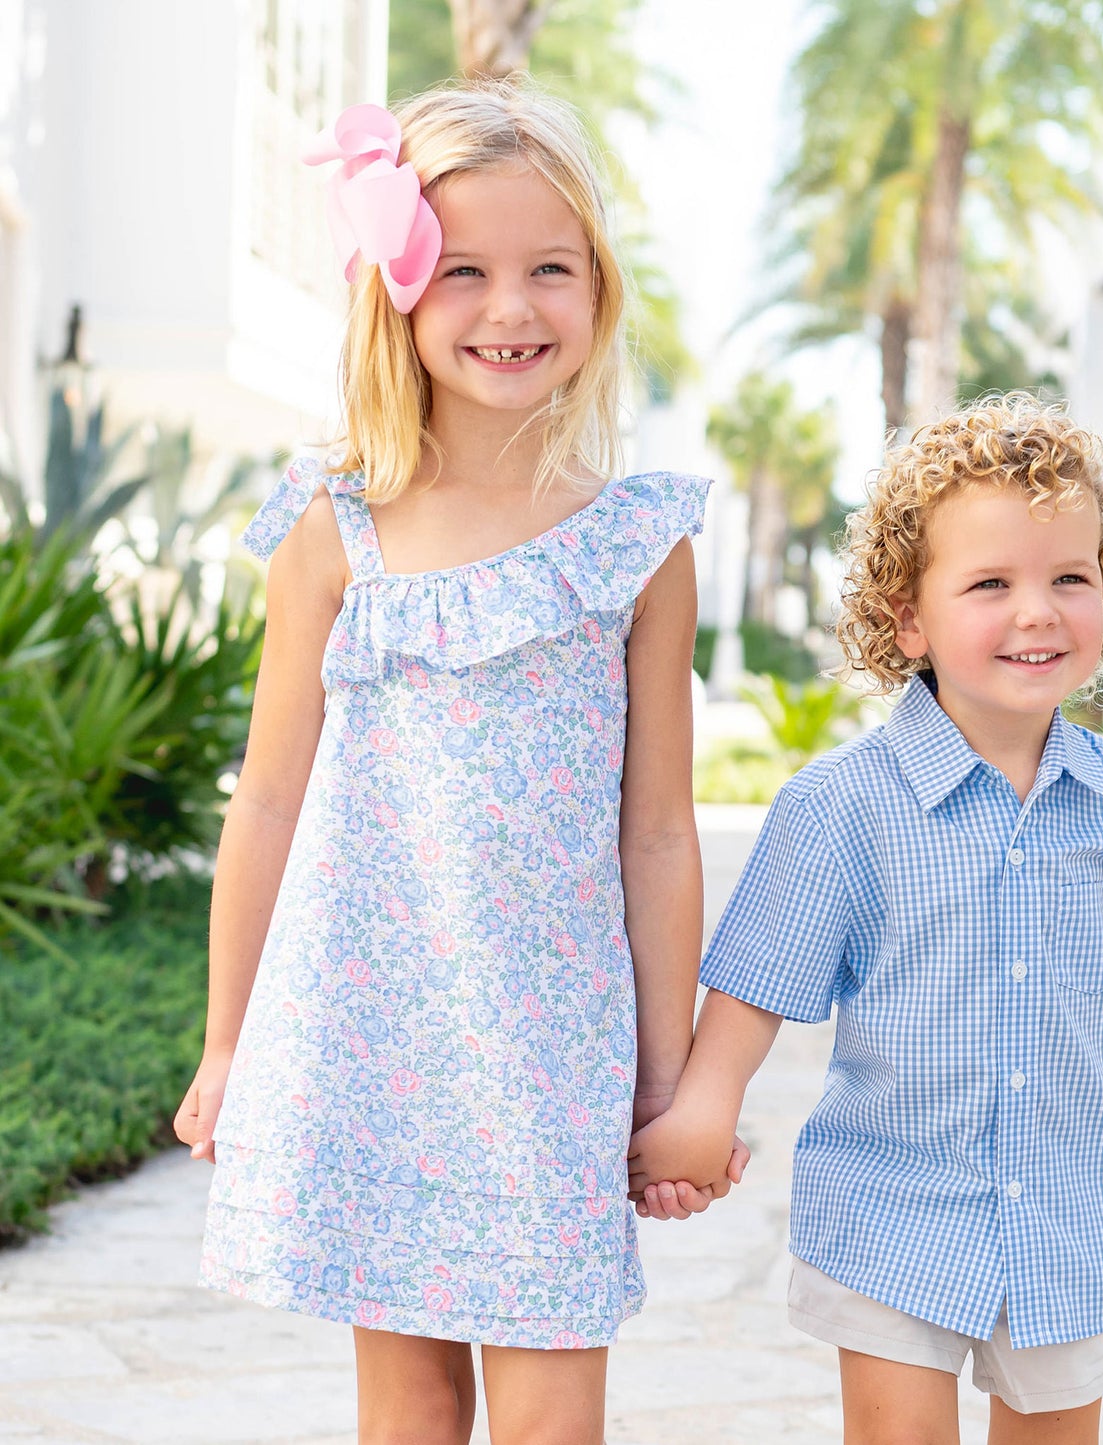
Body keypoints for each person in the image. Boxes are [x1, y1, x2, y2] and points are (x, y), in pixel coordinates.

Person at [173, 79, 738, 1445]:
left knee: (553, 1411)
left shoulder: (639, 542)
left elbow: (657, 832)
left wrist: (666, 1081)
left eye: (552, 269)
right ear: (397, 292)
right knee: (411, 1407)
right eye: (467, 271)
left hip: (550, 1053)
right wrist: (227, 1041)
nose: (511, 309)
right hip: (369, 1042)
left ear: (596, 290)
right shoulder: (330, 524)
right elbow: (267, 799)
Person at [629, 395, 1103, 1445]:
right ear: (908, 618)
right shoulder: (838, 805)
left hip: (1074, 1208)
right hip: (893, 1203)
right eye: (989, 583)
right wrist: (702, 1107)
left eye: (1068, 577)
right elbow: (754, 987)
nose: (1036, 610)